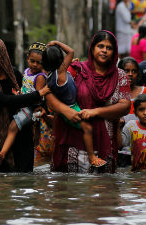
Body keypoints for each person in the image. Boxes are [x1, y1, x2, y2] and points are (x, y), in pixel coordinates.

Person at [47, 30, 131, 173]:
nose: (104, 51)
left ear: (114, 52)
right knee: (68, 191)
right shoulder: (76, 70)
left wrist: (96, 111)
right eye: (100, 46)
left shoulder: (120, 76)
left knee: (104, 189)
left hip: (106, 143)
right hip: (73, 142)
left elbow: (125, 106)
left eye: (109, 48)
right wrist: (65, 110)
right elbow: (49, 93)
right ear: (92, 48)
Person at [0, 38, 44, 172]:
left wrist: (40, 107)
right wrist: (37, 95)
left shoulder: (14, 75)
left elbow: (30, 100)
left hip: (21, 140)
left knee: (24, 183)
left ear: (2, 55)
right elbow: (2, 100)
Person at [43, 40, 107, 168]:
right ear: (61, 59)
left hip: (63, 107)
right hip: (72, 108)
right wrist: (57, 43)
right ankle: (92, 157)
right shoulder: (61, 71)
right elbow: (71, 51)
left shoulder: (50, 76)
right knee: (87, 128)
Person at [0, 42, 50, 166]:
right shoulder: (26, 71)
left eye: (39, 62)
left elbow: (38, 97)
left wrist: (34, 113)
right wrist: (19, 94)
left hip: (32, 108)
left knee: (13, 127)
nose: (35, 65)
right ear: (27, 58)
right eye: (32, 61)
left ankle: (2, 154)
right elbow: (26, 88)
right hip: (23, 103)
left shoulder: (40, 77)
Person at [118, 94, 146, 171]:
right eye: (141, 109)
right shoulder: (131, 126)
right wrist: (118, 126)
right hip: (136, 172)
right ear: (135, 113)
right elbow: (120, 146)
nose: (145, 113)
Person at [118, 57, 146, 123]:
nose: (130, 74)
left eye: (134, 71)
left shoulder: (145, 92)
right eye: (126, 71)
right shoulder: (114, 93)